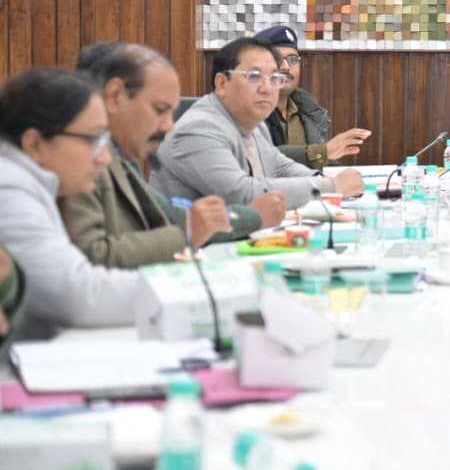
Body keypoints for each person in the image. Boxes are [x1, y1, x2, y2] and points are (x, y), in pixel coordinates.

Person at [60, 42, 288, 268]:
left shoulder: (122, 156)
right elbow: (91, 258)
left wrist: (242, 217)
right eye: (160, 110)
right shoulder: (76, 159)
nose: (169, 126)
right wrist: (189, 233)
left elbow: (169, 215)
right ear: (115, 96)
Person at [0, 68, 140, 337]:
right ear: (35, 144)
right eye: (94, 139)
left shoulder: (25, 180)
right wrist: (192, 288)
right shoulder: (8, 186)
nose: (104, 157)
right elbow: (77, 295)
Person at [153, 37, 365, 209]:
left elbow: (280, 167)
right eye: (254, 77)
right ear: (222, 83)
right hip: (194, 247)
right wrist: (329, 187)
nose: (267, 89)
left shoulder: (254, 124)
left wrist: (324, 178)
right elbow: (242, 194)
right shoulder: (198, 129)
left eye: (274, 78)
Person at [253, 25, 370, 170]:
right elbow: (262, 156)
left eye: (293, 59)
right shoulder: (248, 111)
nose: (286, 67)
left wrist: (345, 173)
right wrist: (324, 152)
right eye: (277, 59)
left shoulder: (308, 110)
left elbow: (317, 160)